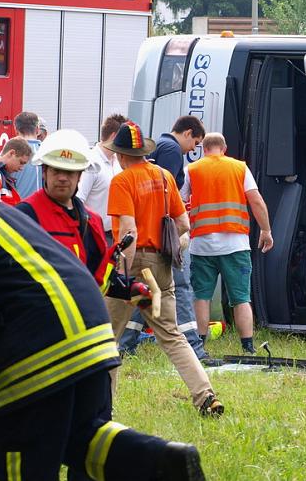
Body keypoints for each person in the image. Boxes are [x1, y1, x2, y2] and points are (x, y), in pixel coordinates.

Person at [0, 139, 205, 481]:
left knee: (20, 456)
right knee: (81, 436)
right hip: (94, 333)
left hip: (41, 340)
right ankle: (159, 460)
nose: (63, 179)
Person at [104, 122, 223, 416]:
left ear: (120, 155)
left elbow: (128, 231)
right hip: (160, 267)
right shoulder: (164, 176)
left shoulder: (122, 181)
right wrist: (170, 253)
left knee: (107, 339)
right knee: (172, 335)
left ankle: (101, 407)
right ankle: (206, 395)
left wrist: (123, 274)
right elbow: (183, 225)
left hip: (134, 265)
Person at [122, 115, 207, 360]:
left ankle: (126, 344)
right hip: (163, 237)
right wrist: (173, 236)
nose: (193, 149)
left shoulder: (160, 145)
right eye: (195, 142)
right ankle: (193, 347)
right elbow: (163, 195)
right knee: (180, 288)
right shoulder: (171, 149)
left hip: (148, 238)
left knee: (146, 292)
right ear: (188, 133)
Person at [181, 132, 273, 356]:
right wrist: (266, 230)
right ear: (224, 148)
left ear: (204, 149)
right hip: (235, 245)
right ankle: (248, 346)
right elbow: (256, 200)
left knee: (201, 296)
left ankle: (200, 345)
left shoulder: (191, 170)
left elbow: (181, 202)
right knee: (241, 298)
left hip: (201, 244)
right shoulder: (239, 168)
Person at [17, 129, 112, 287]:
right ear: (44, 172)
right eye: (56, 170)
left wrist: (128, 289)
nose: (62, 178)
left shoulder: (93, 222)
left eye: (69, 172)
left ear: (80, 176)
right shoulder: (24, 215)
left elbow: (96, 276)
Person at [77, 114, 126, 245]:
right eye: (125, 139)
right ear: (114, 137)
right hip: (93, 236)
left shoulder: (117, 161)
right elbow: (78, 201)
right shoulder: (91, 163)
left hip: (114, 235)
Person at [12, 111, 42, 199]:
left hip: (14, 208)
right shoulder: (46, 152)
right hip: (38, 208)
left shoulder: (8, 152)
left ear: (16, 130)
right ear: (37, 129)